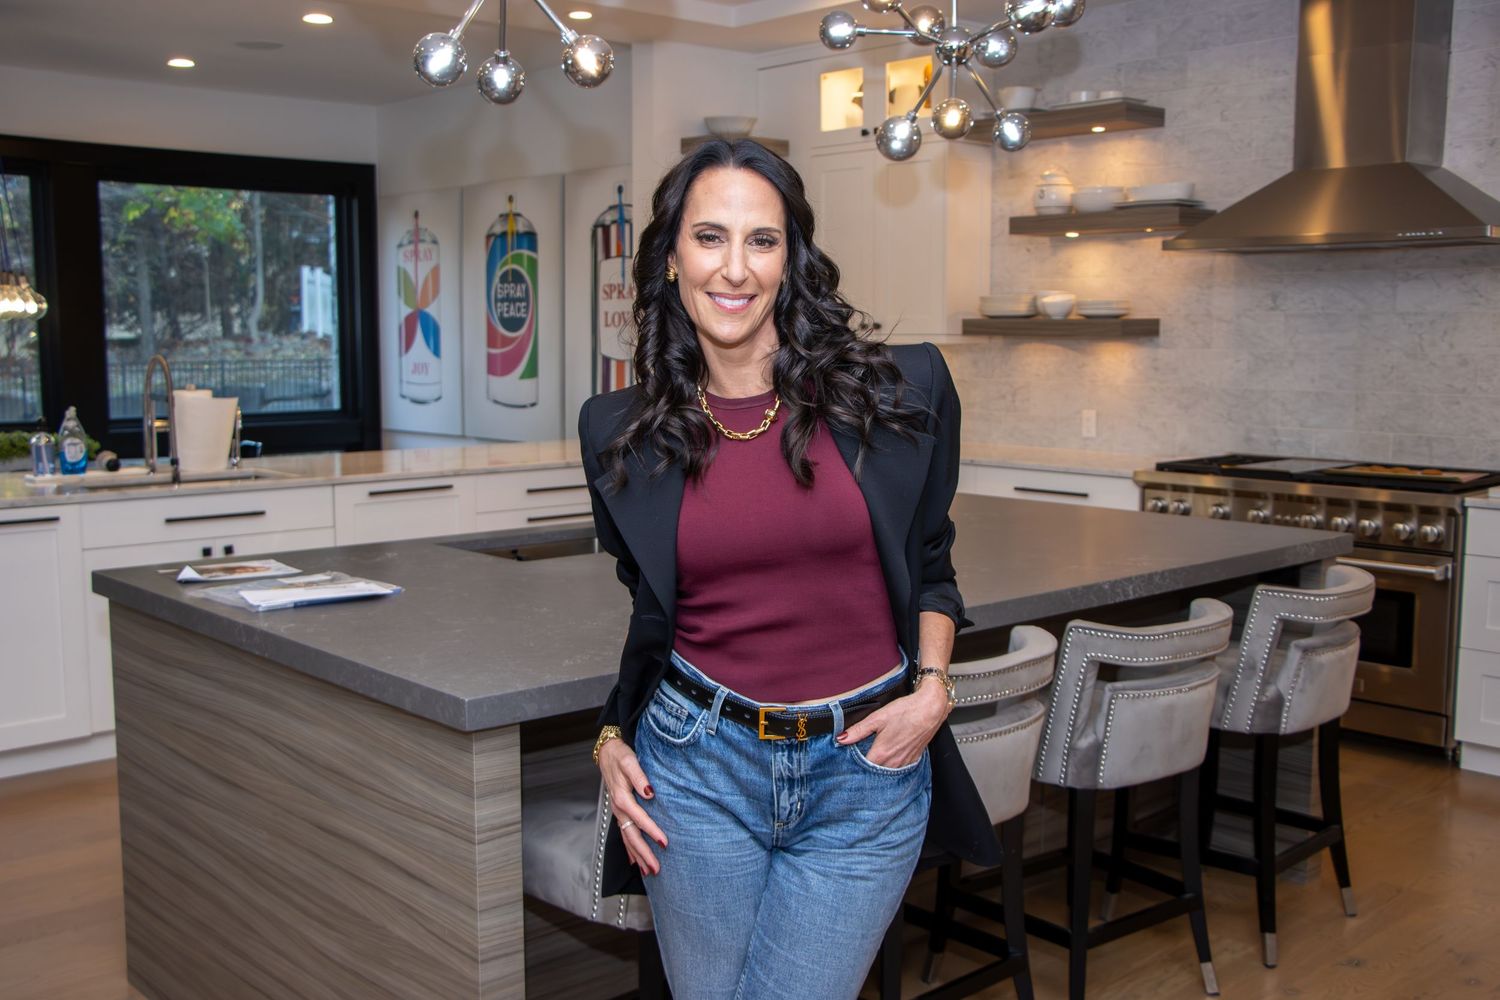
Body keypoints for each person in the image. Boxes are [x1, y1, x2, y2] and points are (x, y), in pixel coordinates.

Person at [577, 138, 1000, 1000]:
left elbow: (931, 561)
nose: (734, 269)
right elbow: (653, 616)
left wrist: (933, 688)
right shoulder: (616, 431)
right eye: (709, 237)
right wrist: (611, 734)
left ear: (791, 261)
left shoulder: (900, 391)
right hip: (694, 771)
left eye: (761, 241)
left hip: (865, 770)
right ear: (668, 261)